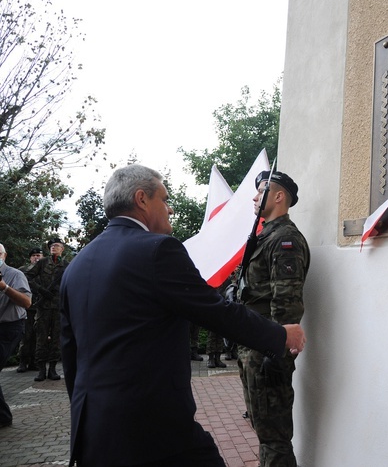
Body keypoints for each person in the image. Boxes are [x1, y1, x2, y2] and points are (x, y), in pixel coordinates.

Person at [59, 164, 306, 467]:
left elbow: (71, 355)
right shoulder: (157, 250)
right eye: (164, 199)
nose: (170, 209)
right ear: (141, 199)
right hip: (153, 424)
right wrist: (280, 336)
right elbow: (215, 312)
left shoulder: (77, 265)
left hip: (93, 428)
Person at [238, 169, 310, 467]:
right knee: (264, 428)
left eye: (262, 191)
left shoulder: (284, 240)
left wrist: (276, 353)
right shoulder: (265, 235)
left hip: (267, 349)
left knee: (274, 437)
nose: (255, 197)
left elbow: (287, 303)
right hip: (254, 344)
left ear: (279, 196)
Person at [25, 238, 68, 381]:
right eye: (51, 246)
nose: (53, 247)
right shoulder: (42, 263)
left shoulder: (66, 266)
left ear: (63, 249)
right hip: (43, 307)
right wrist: (40, 290)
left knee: (56, 339)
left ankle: (53, 369)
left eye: (56, 245)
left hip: (58, 307)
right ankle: (41, 370)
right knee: (41, 338)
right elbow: (27, 276)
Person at [0, 243, 32, 428]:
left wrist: (5, 287)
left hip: (9, 328)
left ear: (4, 255)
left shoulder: (15, 274)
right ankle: (3, 416)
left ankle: (4, 416)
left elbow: (27, 302)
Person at [16, 247, 43, 373]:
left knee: (37, 336)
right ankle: (22, 361)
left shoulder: (45, 271)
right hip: (27, 307)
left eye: (39, 255)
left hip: (41, 307)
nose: (37, 258)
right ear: (30, 257)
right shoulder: (22, 271)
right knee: (26, 336)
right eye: (34, 255)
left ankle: (34, 361)